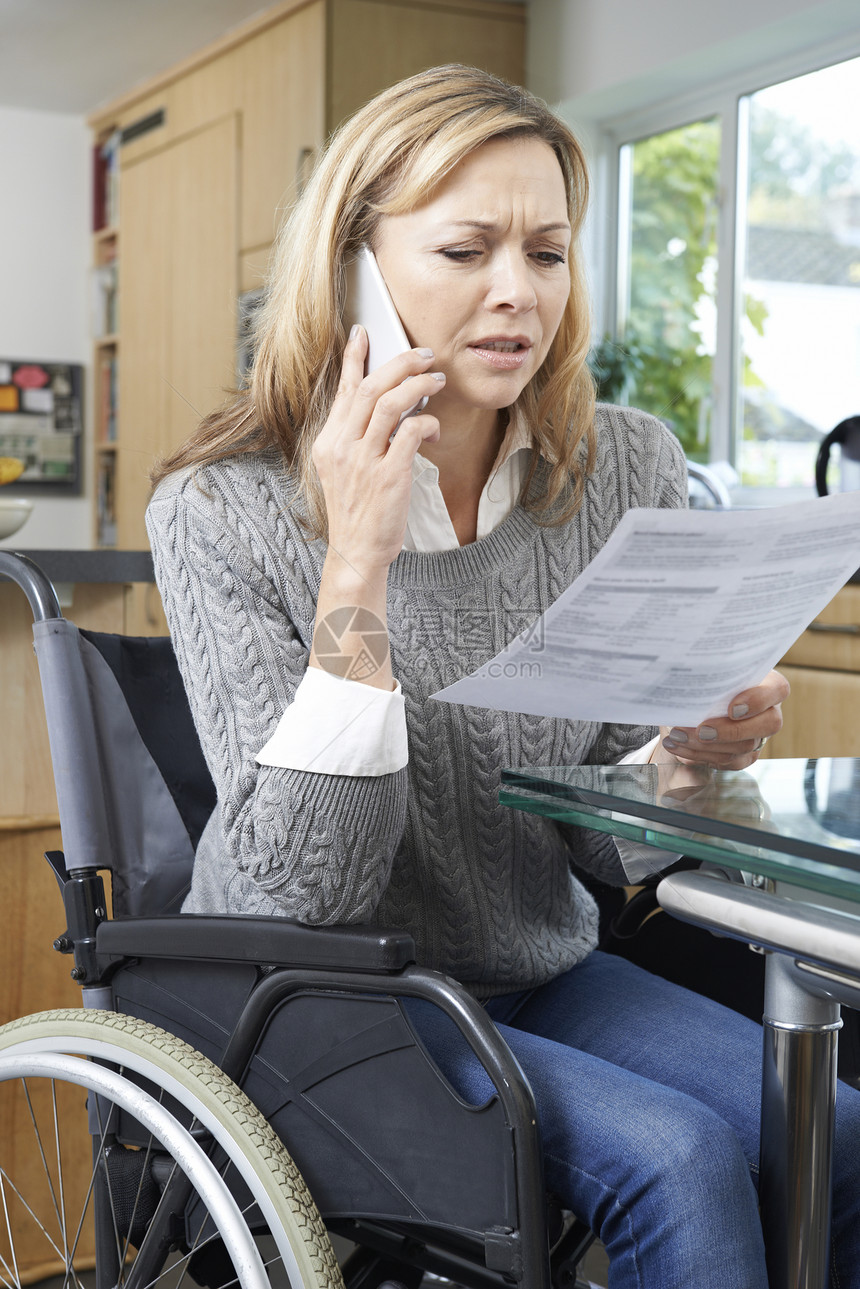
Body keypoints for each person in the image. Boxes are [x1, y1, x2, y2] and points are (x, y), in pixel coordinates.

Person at [146, 64, 860, 1287]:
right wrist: (357, 560)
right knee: (679, 1162)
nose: (515, 293)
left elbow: (596, 841)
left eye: (546, 250)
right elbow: (306, 891)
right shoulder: (221, 508)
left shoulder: (619, 464)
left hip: (539, 965)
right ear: (354, 267)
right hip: (324, 999)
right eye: (465, 248)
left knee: (836, 1137)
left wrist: (674, 758)